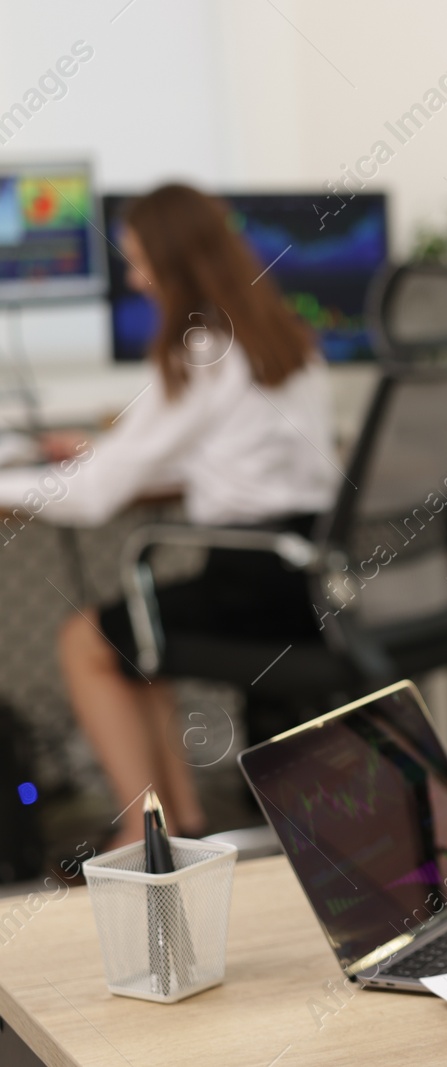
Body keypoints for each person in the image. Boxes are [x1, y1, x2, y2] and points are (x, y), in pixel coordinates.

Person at [0, 184, 337, 848]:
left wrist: (14, 479)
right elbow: (224, 455)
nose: (135, 276)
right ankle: (178, 822)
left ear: (175, 263)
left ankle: (137, 837)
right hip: (307, 579)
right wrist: (109, 452)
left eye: (141, 261)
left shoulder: (200, 350)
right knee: (135, 639)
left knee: (86, 639)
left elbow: (94, 497)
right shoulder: (286, 338)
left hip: (251, 584)